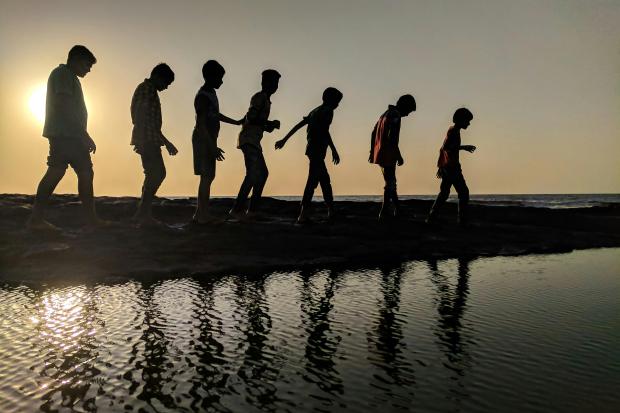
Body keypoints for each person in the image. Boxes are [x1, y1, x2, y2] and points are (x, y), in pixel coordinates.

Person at [27, 45, 104, 230]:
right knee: (70, 172)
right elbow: (63, 104)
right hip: (66, 135)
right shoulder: (62, 74)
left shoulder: (70, 77)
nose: (88, 69)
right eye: (87, 65)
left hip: (69, 134)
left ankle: (37, 219)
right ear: (76, 59)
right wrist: (84, 134)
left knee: (67, 172)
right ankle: (37, 220)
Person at [275, 87, 343, 223]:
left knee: (324, 180)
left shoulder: (315, 111)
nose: (338, 105)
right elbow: (325, 131)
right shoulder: (327, 111)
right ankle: (303, 214)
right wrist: (334, 150)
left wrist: (284, 139)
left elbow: (298, 125)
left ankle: (330, 211)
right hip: (317, 151)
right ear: (331, 100)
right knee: (313, 181)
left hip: (312, 150)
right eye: (337, 101)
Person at [192, 60, 243, 224]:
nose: (221, 81)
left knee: (209, 176)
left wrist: (235, 122)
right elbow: (201, 124)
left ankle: (200, 213)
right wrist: (212, 146)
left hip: (209, 139)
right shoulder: (202, 96)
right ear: (210, 76)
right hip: (203, 139)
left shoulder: (211, 94)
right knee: (206, 176)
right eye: (220, 77)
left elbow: (216, 114)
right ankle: (202, 215)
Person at [130, 63, 178, 226]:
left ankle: (142, 212)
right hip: (147, 139)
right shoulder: (147, 89)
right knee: (157, 173)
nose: (166, 88)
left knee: (153, 174)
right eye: (166, 83)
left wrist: (166, 142)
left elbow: (152, 123)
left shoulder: (149, 90)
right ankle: (143, 213)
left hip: (151, 137)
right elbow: (140, 115)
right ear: (158, 77)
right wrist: (140, 139)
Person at [229, 69, 281, 218]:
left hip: (253, 141)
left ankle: (251, 210)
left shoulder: (266, 99)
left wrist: (268, 127)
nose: (276, 86)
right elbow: (251, 117)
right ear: (265, 83)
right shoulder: (259, 97)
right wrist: (269, 122)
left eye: (277, 83)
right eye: (273, 82)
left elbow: (256, 121)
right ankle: (237, 210)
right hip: (249, 140)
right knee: (253, 174)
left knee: (262, 174)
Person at [369, 94, 416, 220]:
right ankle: (384, 212)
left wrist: (371, 151)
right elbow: (392, 137)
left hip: (380, 153)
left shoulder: (384, 114)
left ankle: (397, 210)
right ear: (405, 106)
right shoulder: (395, 115)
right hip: (388, 153)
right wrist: (398, 154)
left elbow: (374, 132)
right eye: (409, 110)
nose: (408, 114)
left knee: (391, 182)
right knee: (390, 183)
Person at [426, 107, 476, 225]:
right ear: (460, 120)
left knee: (444, 193)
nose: (469, 124)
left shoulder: (453, 130)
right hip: (452, 167)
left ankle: (432, 216)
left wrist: (440, 166)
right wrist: (464, 147)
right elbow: (446, 148)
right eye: (467, 121)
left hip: (448, 166)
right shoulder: (453, 131)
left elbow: (442, 149)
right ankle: (462, 220)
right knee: (463, 192)